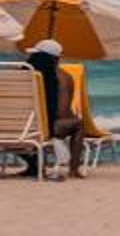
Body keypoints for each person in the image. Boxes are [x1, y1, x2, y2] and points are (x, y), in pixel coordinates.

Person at [28, 40, 87, 180]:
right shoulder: (63, 77)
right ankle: (73, 170)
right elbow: (61, 112)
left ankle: (33, 166)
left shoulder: (22, 74)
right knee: (78, 124)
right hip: (45, 128)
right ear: (57, 58)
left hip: (15, 128)